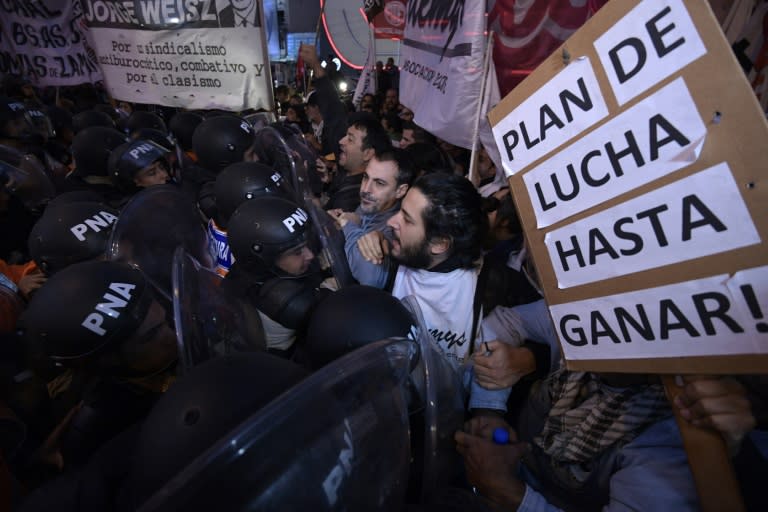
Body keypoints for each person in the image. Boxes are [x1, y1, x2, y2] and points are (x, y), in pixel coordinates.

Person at [384, 173, 488, 368]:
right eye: (400, 210)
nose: (391, 221)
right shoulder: (389, 261)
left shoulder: (489, 294)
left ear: (440, 244)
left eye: (406, 219)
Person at [224, 196, 325, 358]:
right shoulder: (290, 302)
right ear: (264, 259)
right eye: (298, 251)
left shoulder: (243, 273)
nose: (310, 255)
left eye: (307, 245)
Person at [328, 148, 414, 288]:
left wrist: (348, 225)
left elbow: (371, 278)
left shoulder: (395, 228)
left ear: (400, 191)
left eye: (379, 183)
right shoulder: (372, 205)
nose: (366, 189)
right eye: (365, 177)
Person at [326, 117, 392, 212]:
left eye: (350, 139)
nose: (341, 141)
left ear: (368, 154)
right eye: (345, 136)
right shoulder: (344, 174)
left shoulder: (354, 198)